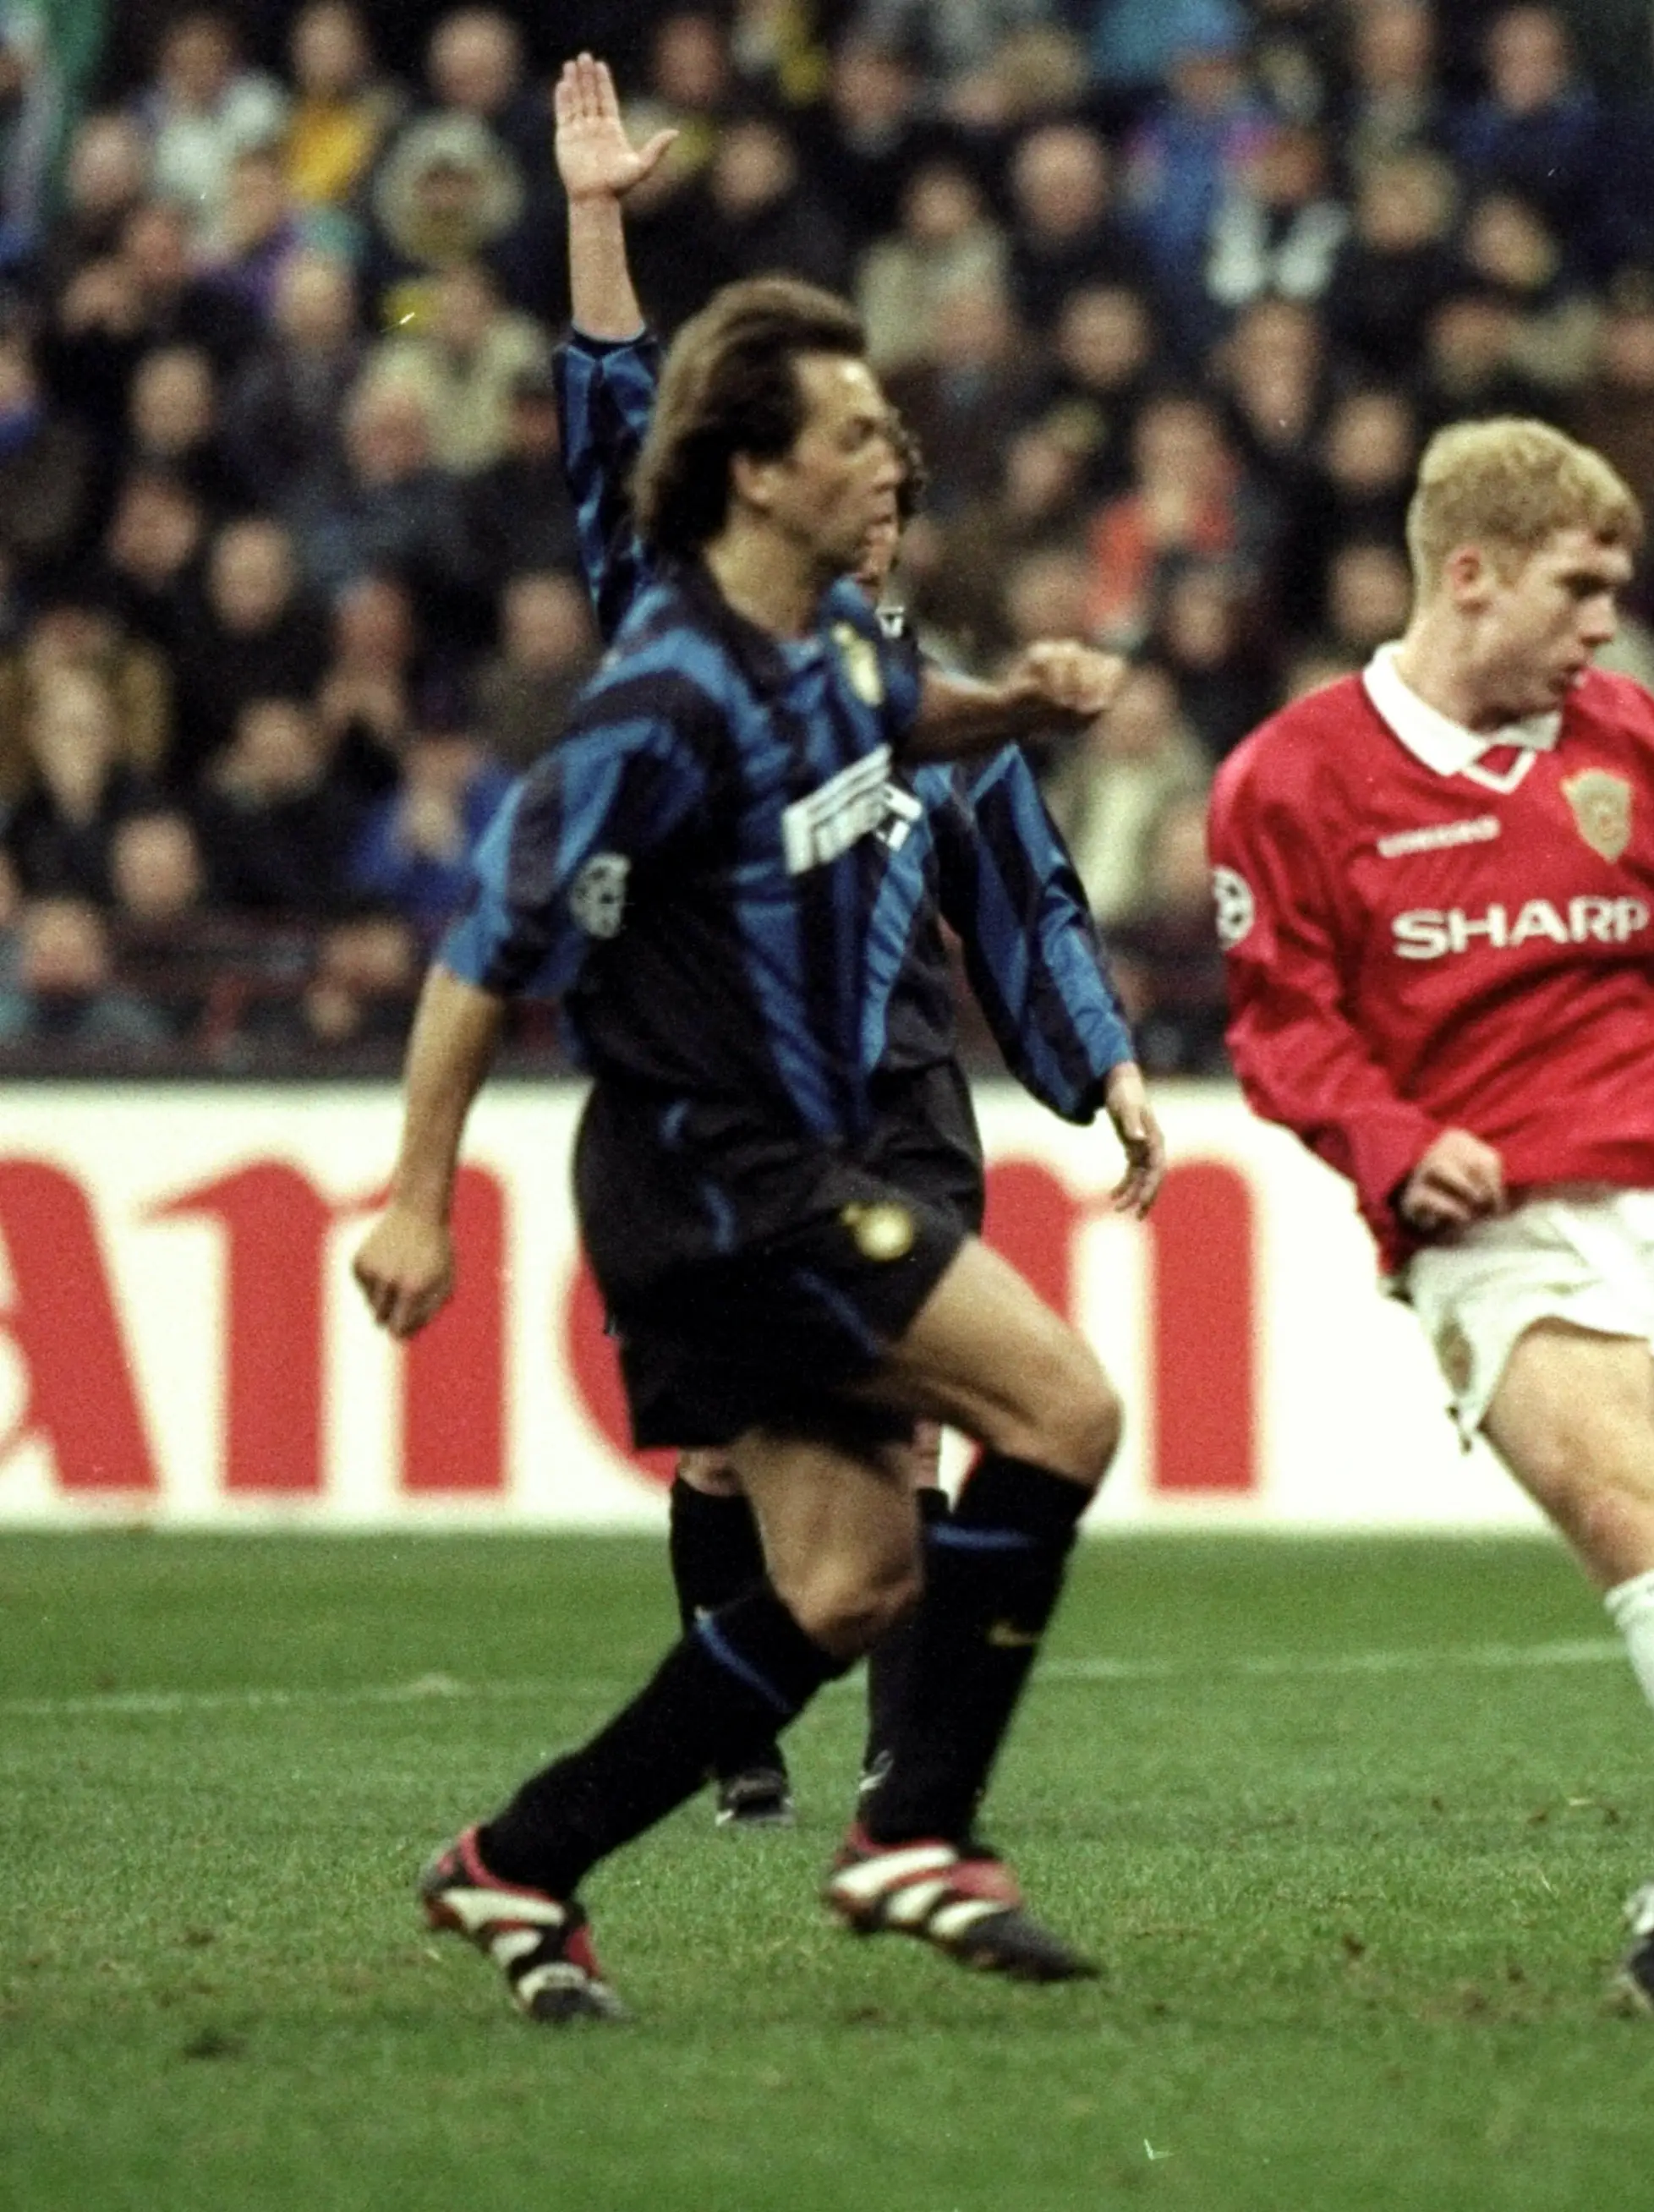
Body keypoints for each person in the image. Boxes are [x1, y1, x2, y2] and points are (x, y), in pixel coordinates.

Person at [354, 269, 1161, 2026]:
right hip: (722, 1178)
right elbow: (484, 945)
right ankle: (920, 1833)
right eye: (854, 433)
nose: (889, 456)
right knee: (1065, 1412)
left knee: (853, 1579)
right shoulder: (665, 694)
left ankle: (523, 1857)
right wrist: (417, 1198)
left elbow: (904, 717)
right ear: (758, 474)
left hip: (781, 1171)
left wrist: (1016, 707)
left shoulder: (839, 650)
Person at [1207, 416, 1654, 2023]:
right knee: (1645, 1526)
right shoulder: (1295, 779)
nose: (1606, 623)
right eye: (1581, 588)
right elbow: (1281, 1029)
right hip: (1498, 1219)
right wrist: (1394, 1141)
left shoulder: (1617, 729)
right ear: (1472, 576)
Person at [549, 52, 1149, 1835]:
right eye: (849, 462)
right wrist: (596, 223)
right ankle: (735, 1745)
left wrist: (1103, 1059)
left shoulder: (923, 698)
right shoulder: (696, 641)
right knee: (744, 1446)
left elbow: (1023, 887)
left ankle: (907, 1776)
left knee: (925, 1437)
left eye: (889, 470)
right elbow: (615, 438)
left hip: (898, 1094)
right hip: (743, 1107)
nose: (871, 490)